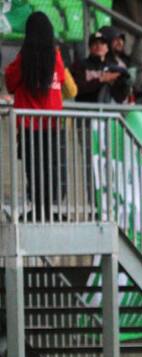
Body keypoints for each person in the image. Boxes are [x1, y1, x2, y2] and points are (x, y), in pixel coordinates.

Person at [4, 11, 67, 221]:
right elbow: (62, 81)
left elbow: (10, 82)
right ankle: (48, 210)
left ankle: (39, 209)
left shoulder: (24, 58)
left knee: (34, 167)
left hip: (30, 124)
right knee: (51, 167)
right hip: (53, 123)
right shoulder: (56, 56)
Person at [71, 31, 132, 103]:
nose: (98, 46)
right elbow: (76, 89)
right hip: (85, 108)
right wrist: (101, 80)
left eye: (102, 43)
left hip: (108, 108)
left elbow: (120, 98)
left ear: (107, 48)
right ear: (90, 48)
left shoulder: (115, 67)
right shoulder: (80, 65)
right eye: (95, 43)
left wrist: (121, 84)